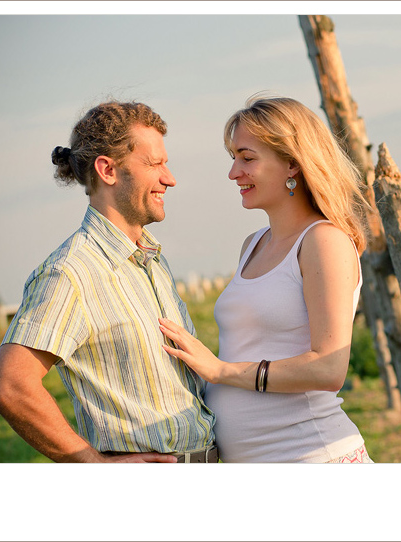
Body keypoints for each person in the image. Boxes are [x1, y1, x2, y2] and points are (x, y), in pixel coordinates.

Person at [0, 101, 216, 463]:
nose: (169, 178)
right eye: (154, 164)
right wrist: (94, 465)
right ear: (108, 170)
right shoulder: (71, 272)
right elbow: (9, 387)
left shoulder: (152, 259)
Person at [159, 95, 374, 463]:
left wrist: (222, 371)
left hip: (314, 457)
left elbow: (329, 367)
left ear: (292, 162)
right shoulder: (253, 244)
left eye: (247, 158)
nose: (233, 173)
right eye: (233, 159)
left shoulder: (323, 242)